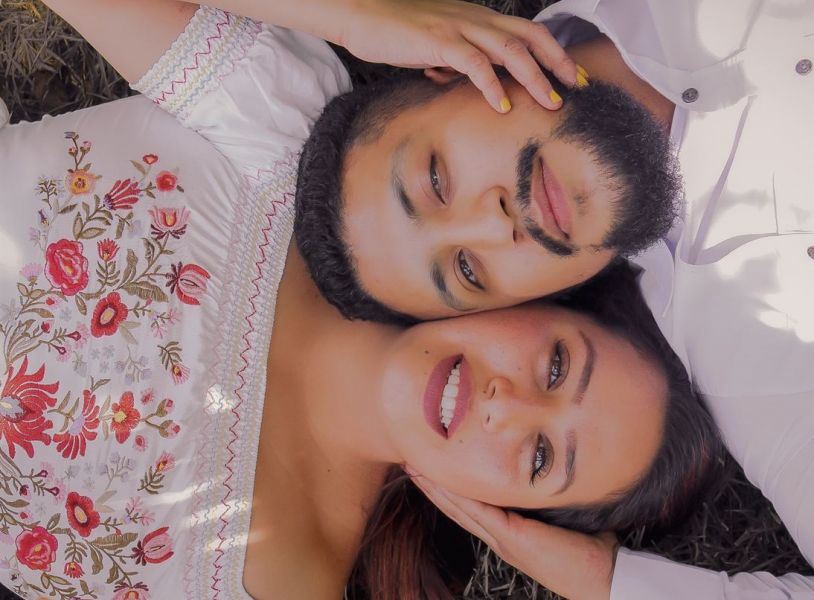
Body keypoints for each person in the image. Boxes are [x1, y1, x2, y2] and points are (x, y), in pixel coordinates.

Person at [0, 2, 720, 599]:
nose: (508, 404)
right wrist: (356, 17)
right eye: (557, 367)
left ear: (506, 516)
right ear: (536, 299)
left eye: (538, 457)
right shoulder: (284, 132)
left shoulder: (277, 584)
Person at [405, 1, 814, 599]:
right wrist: (603, 584)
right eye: (540, 458)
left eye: (433, 180)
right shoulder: (768, 364)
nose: (501, 402)